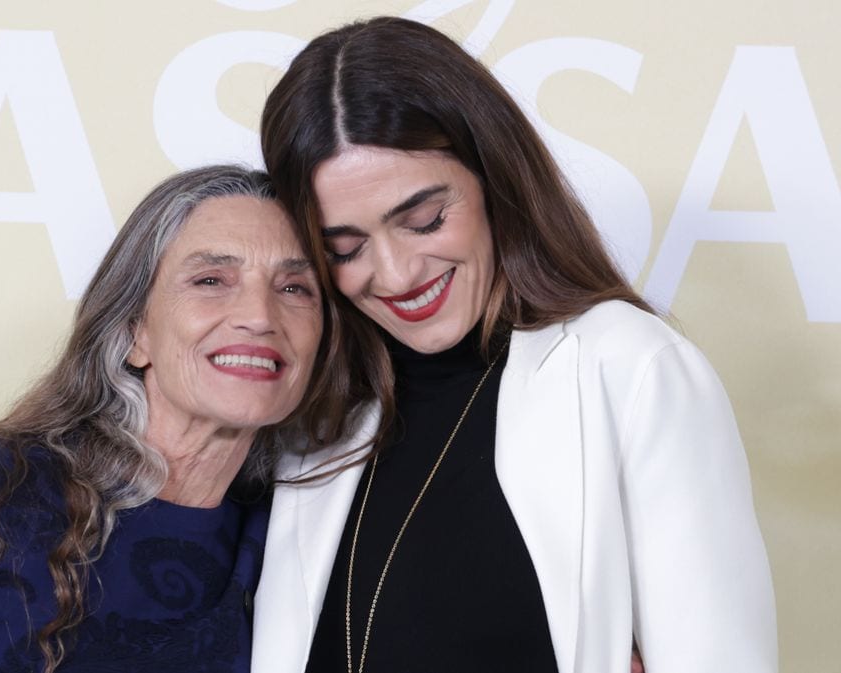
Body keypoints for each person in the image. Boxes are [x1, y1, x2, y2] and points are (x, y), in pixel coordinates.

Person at [253, 16, 777, 673]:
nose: (395, 274)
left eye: (423, 220)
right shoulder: (318, 417)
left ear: (492, 176)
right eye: (345, 248)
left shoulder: (632, 368)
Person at [0, 165, 338, 673]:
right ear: (136, 330)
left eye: (295, 288)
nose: (259, 315)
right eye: (210, 280)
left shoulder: (297, 533)